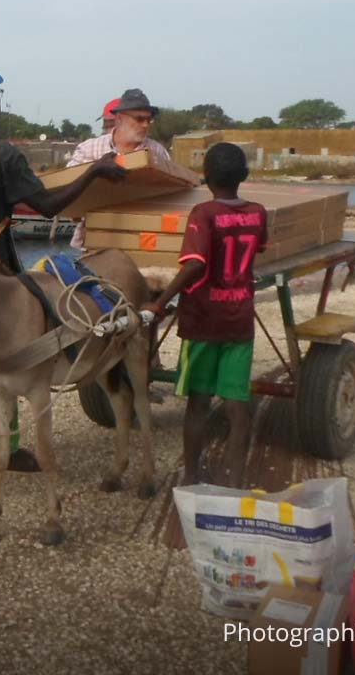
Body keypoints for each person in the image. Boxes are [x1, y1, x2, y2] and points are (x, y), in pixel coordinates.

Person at [0, 69, 127, 470]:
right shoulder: (2, 152)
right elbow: (48, 206)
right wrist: (94, 172)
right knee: (7, 355)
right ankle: (13, 445)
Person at [141, 143, 266, 488]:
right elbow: (259, 249)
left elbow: (195, 264)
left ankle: (193, 477)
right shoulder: (258, 212)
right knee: (236, 403)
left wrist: (161, 300)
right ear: (244, 176)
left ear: (205, 178)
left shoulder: (203, 213)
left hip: (203, 320)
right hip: (239, 317)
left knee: (198, 401)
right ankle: (234, 480)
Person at [67, 88, 173, 249]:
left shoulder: (157, 152)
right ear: (119, 119)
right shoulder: (88, 149)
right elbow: (67, 191)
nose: (145, 125)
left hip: (140, 242)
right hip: (92, 243)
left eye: (148, 120)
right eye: (139, 119)